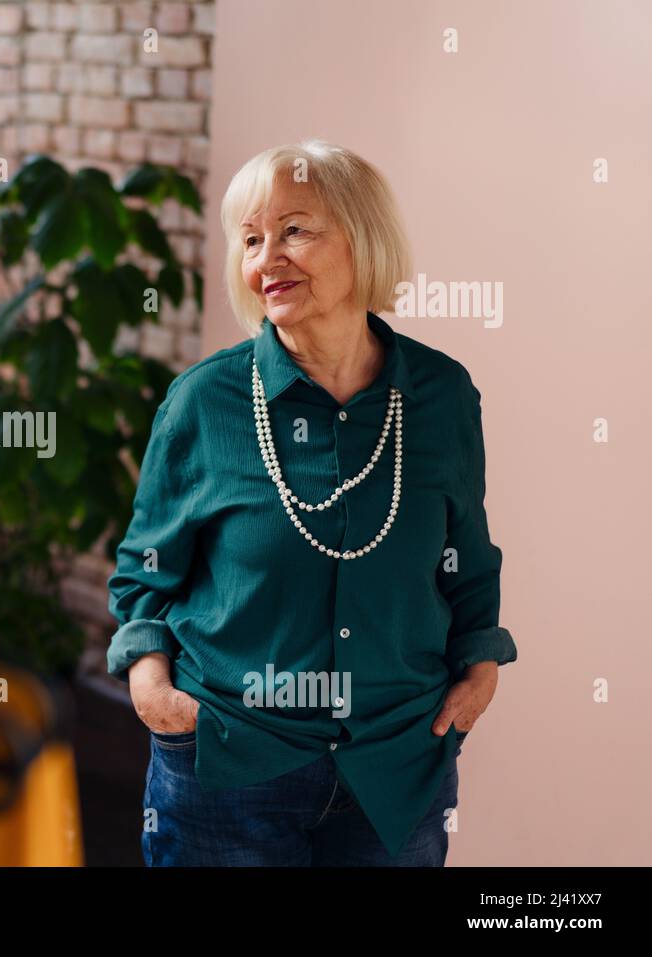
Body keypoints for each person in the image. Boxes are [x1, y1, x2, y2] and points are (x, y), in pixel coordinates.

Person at [106, 139, 518, 866]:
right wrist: (155, 694)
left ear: (365, 238)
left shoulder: (441, 395)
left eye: (295, 229)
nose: (268, 257)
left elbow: (468, 563)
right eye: (252, 239)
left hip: (395, 773)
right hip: (229, 765)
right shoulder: (206, 402)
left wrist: (479, 669)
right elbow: (144, 575)